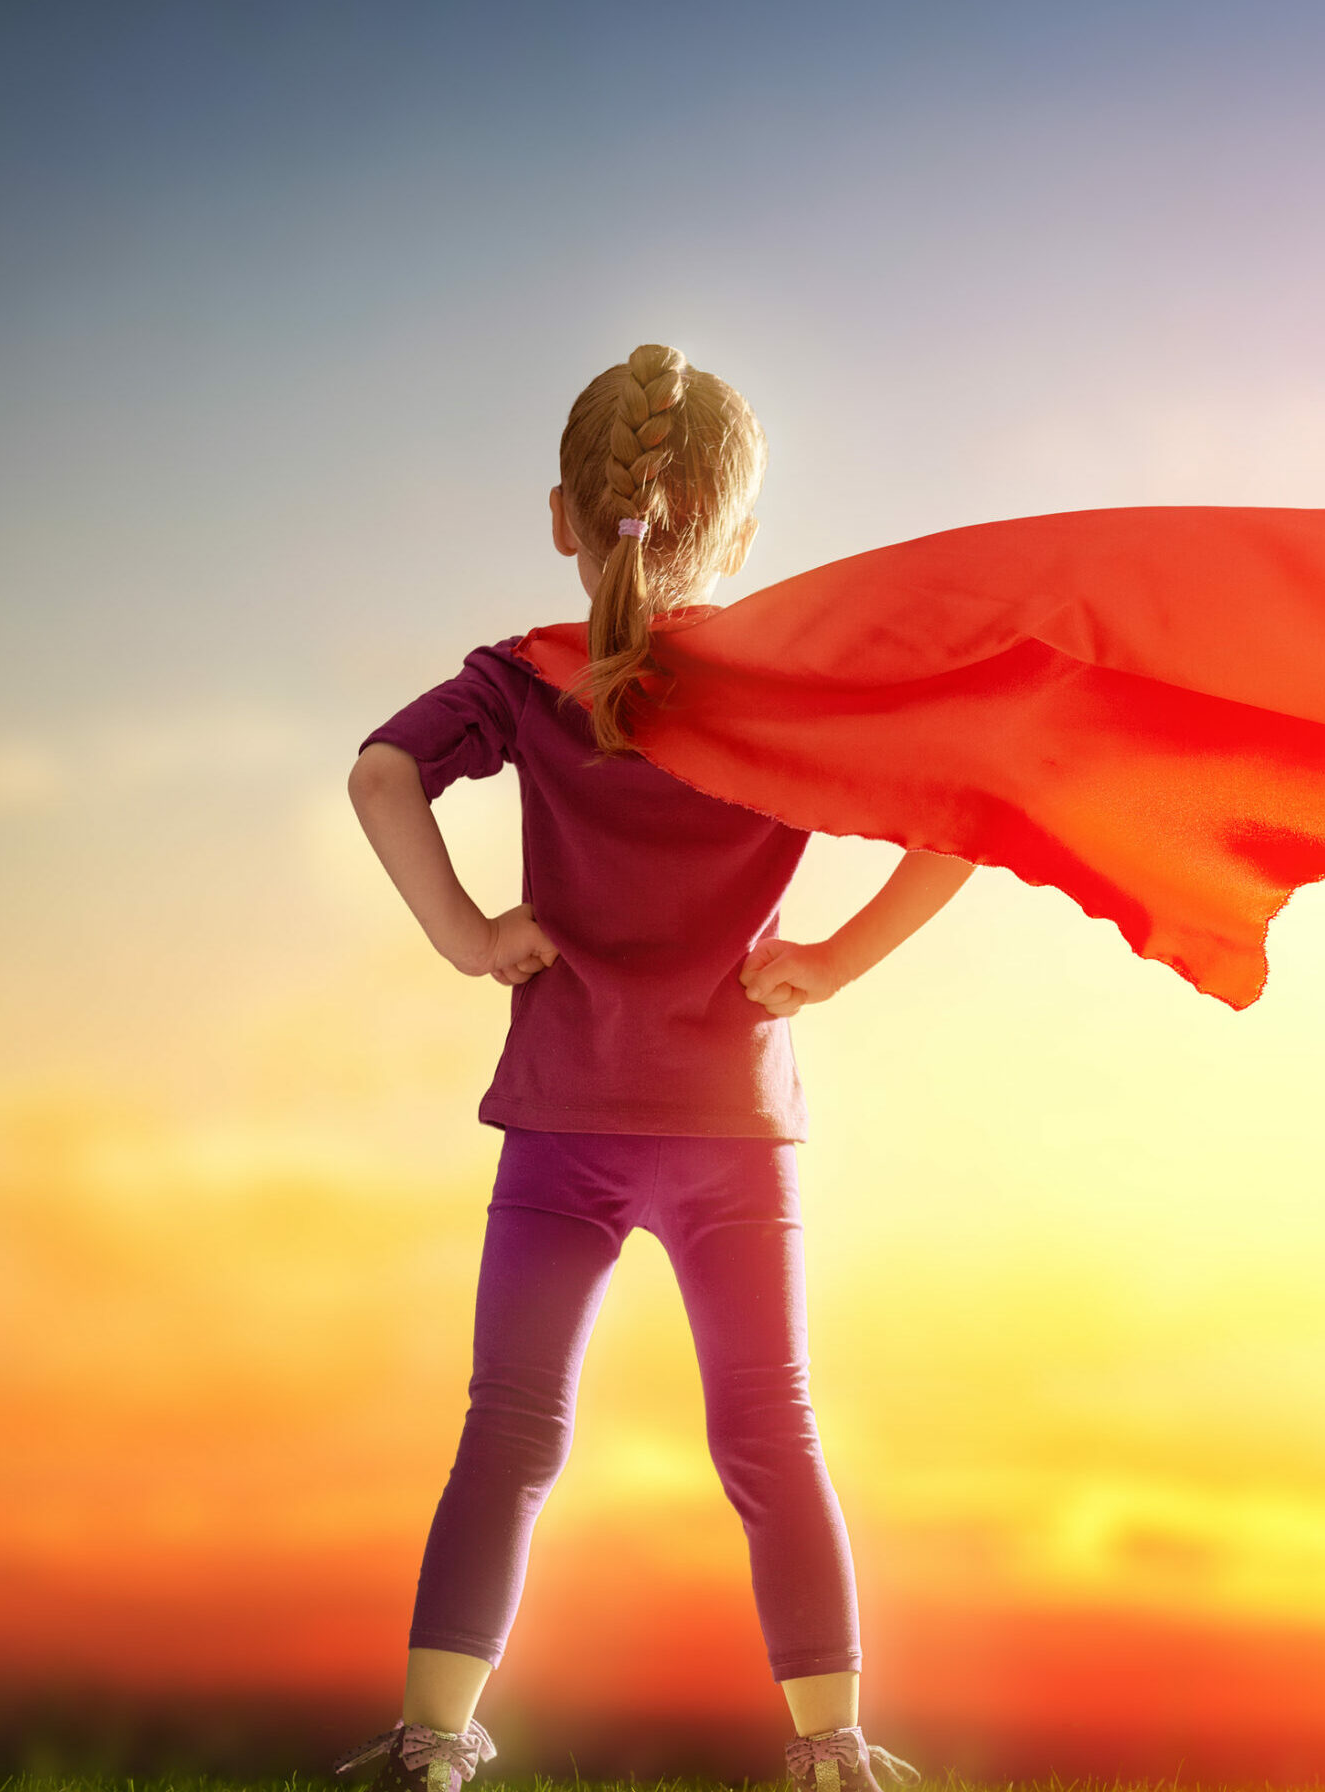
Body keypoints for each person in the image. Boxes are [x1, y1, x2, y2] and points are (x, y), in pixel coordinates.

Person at [333, 345, 956, 1792]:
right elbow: (958, 818)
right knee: (769, 1434)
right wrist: (834, 964)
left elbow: (379, 774)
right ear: (737, 540)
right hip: (735, 1124)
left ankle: (433, 1742)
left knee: (510, 1430)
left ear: (566, 515)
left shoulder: (524, 681)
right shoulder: (793, 694)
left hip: (562, 1118)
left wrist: (469, 935)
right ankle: (834, 1750)